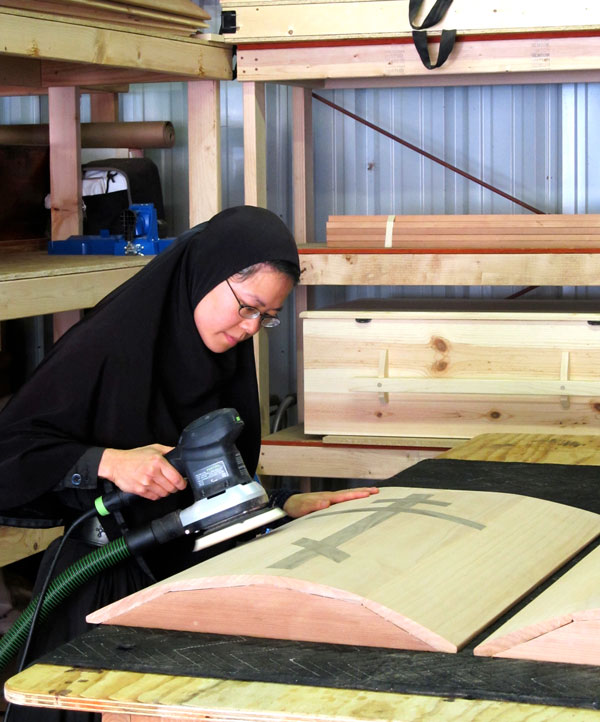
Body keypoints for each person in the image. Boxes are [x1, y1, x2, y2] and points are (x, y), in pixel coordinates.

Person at [0, 206, 377, 721]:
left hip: (190, 583)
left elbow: (213, 470)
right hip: (103, 584)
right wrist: (106, 461)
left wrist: (285, 503)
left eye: (266, 317)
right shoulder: (108, 347)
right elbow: (10, 451)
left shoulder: (219, 359)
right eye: (246, 307)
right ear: (205, 274)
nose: (250, 329)